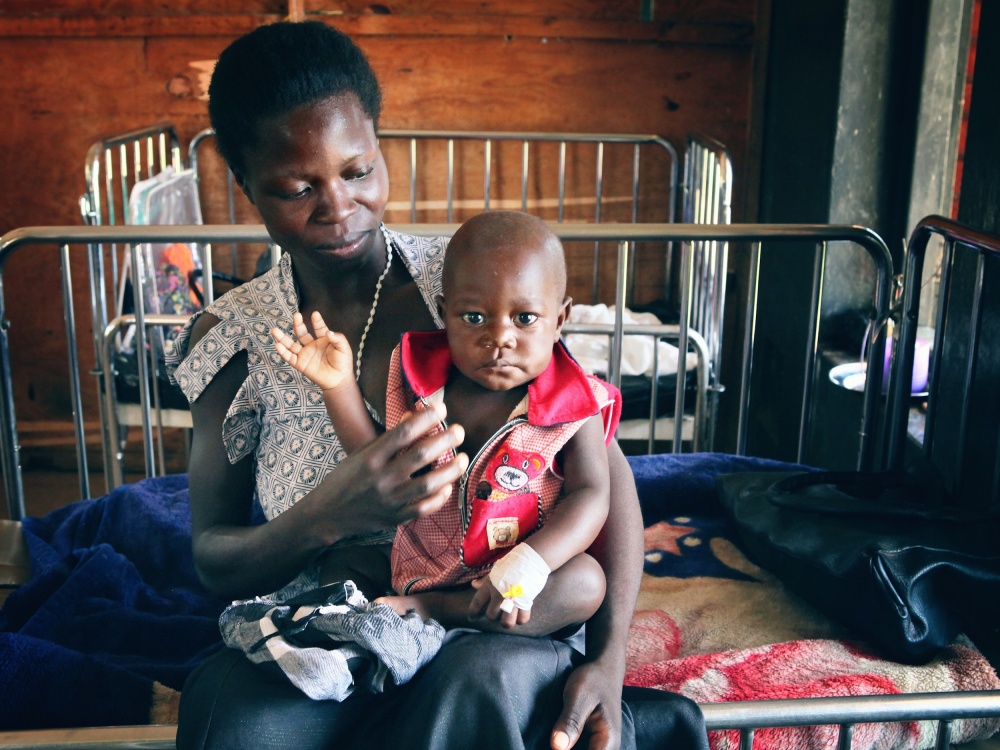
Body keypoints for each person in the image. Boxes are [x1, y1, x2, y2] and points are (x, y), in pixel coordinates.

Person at [166, 19, 708, 750]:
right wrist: (329, 514)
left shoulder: (474, 283)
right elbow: (213, 556)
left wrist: (608, 664)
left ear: (379, 147)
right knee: (232, 718)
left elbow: (599, 473)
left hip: (493, 616)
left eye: (358, 171)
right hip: (340, 617)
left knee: (473, 685)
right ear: (247, 187)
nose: (338, 208)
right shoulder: (233, 338)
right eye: (297, 188)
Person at [271, 210, 620, 631]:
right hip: (420, 567)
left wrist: (532, 563)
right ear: (444, 313)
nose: (500, 338)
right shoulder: (417, 380)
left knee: (585, 583)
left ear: (559, 320)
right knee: (343, 566)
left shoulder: (575, 403)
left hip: (515, 588)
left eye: (525, 318)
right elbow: (376, 462)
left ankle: (434, 611)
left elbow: (591, 495)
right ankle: (400, 615)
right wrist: (339, 386)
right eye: (474, 317)